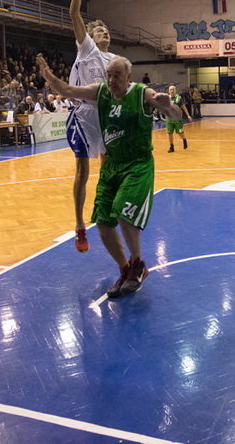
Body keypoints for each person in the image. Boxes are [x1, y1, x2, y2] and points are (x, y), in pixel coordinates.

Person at [37, 53, 179, 299]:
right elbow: (69, 90)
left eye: (117, 75)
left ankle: (138, 265)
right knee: (102, 222)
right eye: (109, 75)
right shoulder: (101, 92)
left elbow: (176, 116)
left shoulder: (142, 93)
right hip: (111, 165)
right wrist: (48, 76)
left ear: (129, 77)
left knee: (123, 211)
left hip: (137, 164)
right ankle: (125, 269)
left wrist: (167, 106)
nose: (112, 80)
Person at [65, 0, 116, 254]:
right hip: (83, 117)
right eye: (99, 30)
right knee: (82, 172)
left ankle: (105, 215)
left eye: (106, 30)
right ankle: (79, 225)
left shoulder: (116, 62)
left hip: (106, 119)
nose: (104, 32)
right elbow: (74, 14)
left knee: (108, 172)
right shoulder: (87, 48)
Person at [165, 85, 193, 152]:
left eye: (173, 89)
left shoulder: (178, 98)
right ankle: (171, 146)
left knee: (180, 132)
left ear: (175, 90)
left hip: (177, 118)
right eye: (170, 90)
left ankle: (184, 140)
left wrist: (188, 115)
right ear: (168, 91)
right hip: (169, 118)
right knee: (169, 133)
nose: (172, 91)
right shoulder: (167, 98)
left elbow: (183, 107)